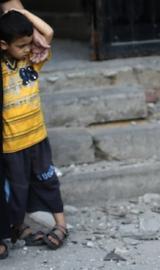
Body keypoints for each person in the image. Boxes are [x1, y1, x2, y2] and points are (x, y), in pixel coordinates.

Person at [0, 8, 69, 252]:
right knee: (17, 191)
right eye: (22, 45)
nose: (28, 49)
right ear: (3, 45)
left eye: (29, 43)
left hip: (37, 137)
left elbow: (48, 32)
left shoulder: (33, 61)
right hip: (12, 144)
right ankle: (16, 227)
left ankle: (61, 226)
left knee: (48, 180)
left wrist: (17, 9)